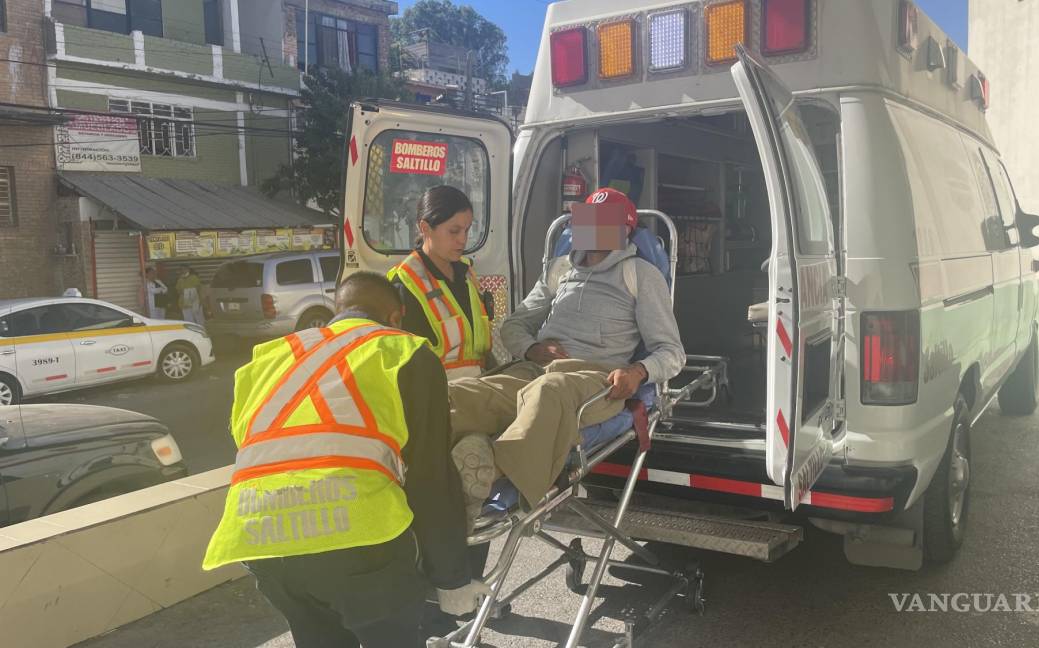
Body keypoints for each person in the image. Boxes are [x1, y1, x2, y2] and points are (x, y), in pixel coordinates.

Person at [202, 272, 489, 648]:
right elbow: (429, 476)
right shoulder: (403, 351)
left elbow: (257, 446)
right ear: (396, 317)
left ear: (339, 310)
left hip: (260, 538)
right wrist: (452, 577)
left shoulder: (266, 359)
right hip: (360, 547)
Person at [448, 188, 686, 508]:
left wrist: (639, 371)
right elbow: (514, 326)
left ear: (624, 231)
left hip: (594, 380)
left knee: (549, 389)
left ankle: (490, 470)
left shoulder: (640, 275)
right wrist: (532, 349)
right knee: (466, 392)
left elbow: (672, 352)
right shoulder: (560, 270)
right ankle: (426, 462)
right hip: (535, 369)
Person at [388, 185, 493, 382]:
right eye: (454, 231)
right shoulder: (405, 284)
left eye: (467, 229)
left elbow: (481, 350)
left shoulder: (467, 273)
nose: (462, 239)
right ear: (425, 228)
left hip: (479, 391)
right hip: (437, 399)